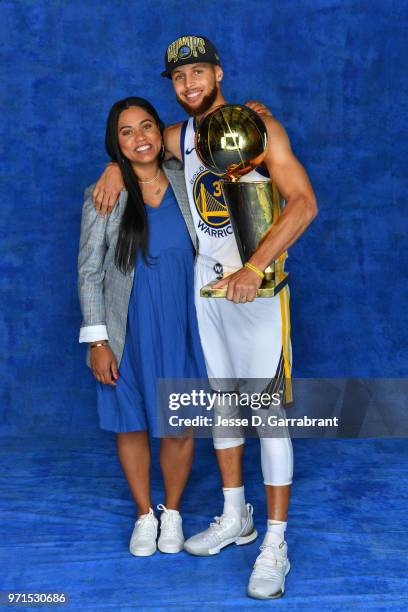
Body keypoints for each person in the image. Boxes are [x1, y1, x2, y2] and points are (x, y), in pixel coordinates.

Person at [92, 35, 318, 599]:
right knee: (221, 404)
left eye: (198, 73)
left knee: (265, 412)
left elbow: (304, 203)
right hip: (204, 287)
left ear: (218, 73)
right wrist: (114, 169)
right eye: (178, 78)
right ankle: (235, 514)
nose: (189, 85)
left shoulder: (260, 128)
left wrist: (255, 265)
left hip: (257, 288)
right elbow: (136, 148)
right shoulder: (179, 136)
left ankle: (275, 543)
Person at [78, 96, 207, 558]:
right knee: (129, 423)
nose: (140, 138)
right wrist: (98, 340)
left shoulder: (187, 178)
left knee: (180, 421)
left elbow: (203, 132)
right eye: (127, 132)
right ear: (115, 143)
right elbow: (90, 272)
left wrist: (253, 112)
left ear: (161, 131)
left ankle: (172, 512)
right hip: (126, 327)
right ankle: (143, 515)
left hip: (184, 322)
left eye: (147, 126)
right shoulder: (106, 194)